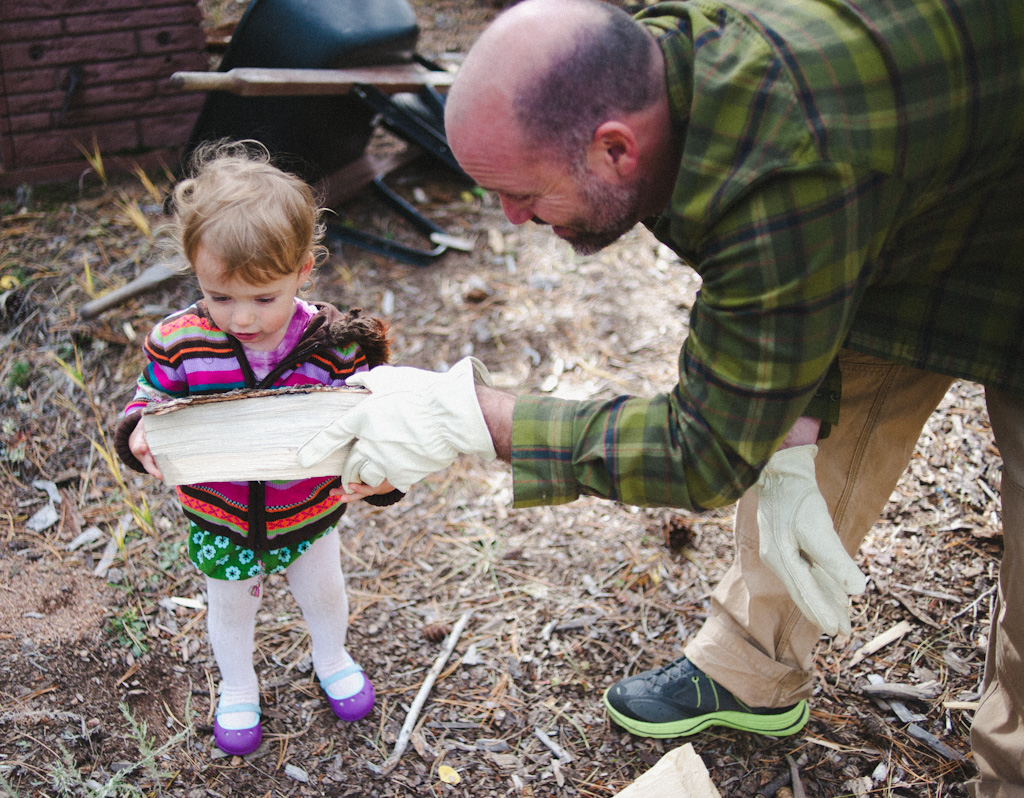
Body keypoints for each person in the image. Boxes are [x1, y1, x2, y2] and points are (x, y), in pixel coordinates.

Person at [298, 0, 1024, 793]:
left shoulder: (785, 171)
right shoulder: (658, 63)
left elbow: (703, 450)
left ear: (616, 147)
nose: (511, 218)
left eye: (521, 193)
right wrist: (791, 431)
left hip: (983, 187)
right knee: (802, 446)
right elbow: (783, 294)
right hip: (900, 199)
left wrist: (473, 418)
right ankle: (752, 665)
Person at [116, 141, 401, 757]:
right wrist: (140, 427)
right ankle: (238, 685)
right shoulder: (180, 342)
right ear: (196, 271)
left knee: (322, 590)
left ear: (303, 270)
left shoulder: (330, 344)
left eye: (264, 297)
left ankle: (331, 655)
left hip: (307, 505)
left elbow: (368, 414)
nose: (242, 316)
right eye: (220, 297)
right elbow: (150, 397)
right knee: (231, 606)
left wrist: (379, 467)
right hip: (220, 510)